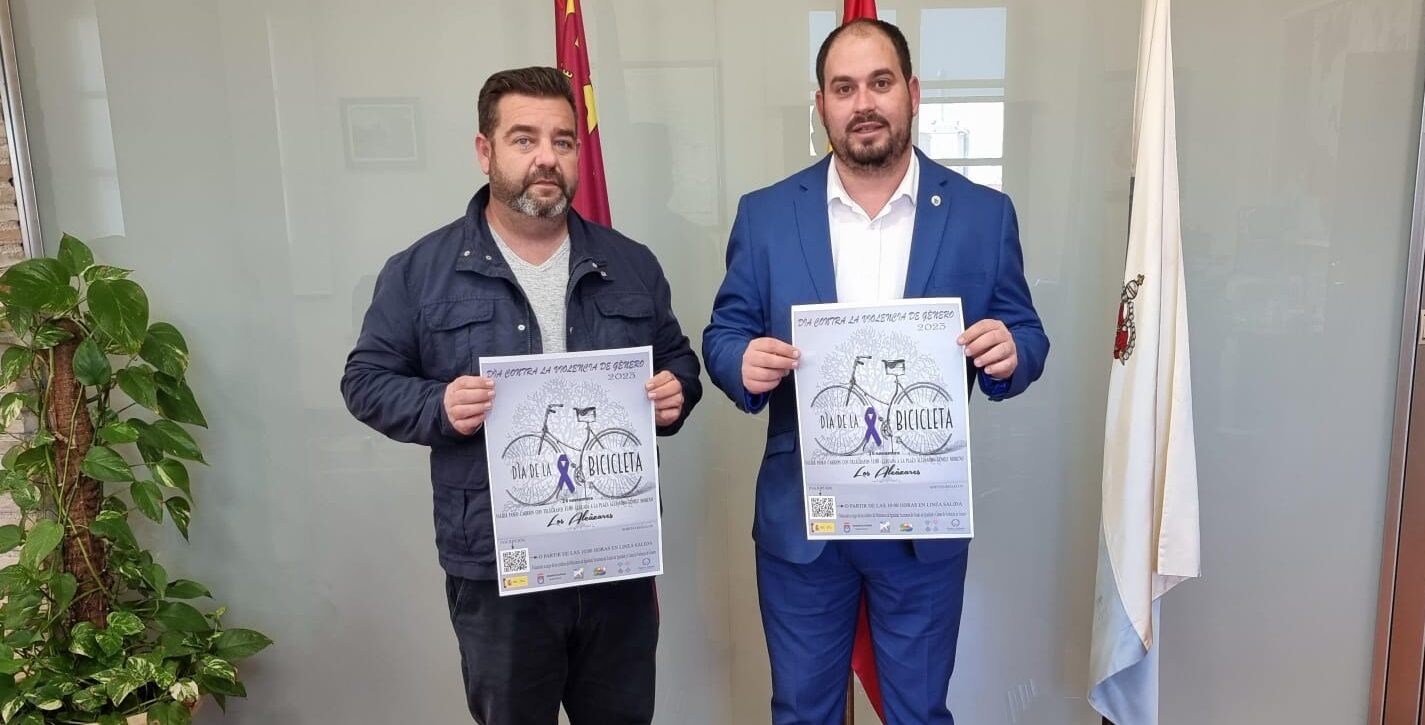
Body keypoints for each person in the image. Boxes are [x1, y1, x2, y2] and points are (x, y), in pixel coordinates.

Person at [702, 19, 1049, 724]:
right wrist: (741, 360)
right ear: (821, 105)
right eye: (843, 88)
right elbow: (723, 333)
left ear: (912, 93)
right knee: (803, 711)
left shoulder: (983, 215)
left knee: (917, 712)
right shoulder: (765, 216)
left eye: (880, 83)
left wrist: (1012, 351)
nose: (863, 103)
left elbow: (1027, 332)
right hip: (803, 521)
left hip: (922, 522)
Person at [341, 65, 701, 725]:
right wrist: (439, 407)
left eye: (562, 141)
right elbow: (365, 380)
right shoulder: (420, 272)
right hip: (497, 567)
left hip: (614, 559)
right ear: (486, 151)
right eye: (524, 139)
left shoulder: (631, 263)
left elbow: (676, 358)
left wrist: (677, 390)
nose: (546, 158)